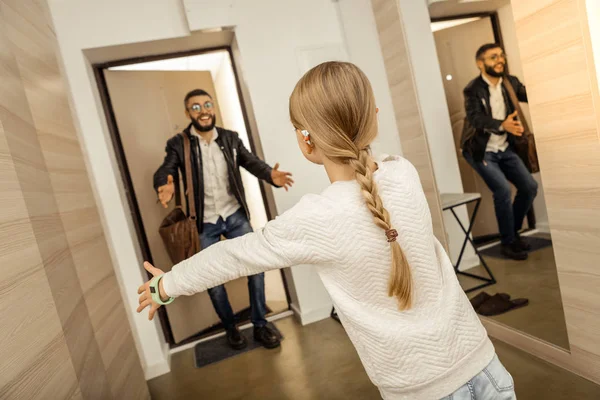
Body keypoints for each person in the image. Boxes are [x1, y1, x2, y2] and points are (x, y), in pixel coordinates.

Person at [140, 62, 515, 399]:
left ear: (306, 140)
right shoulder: (403, 173)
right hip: (485, 365)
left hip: (420, 390)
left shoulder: (315, 219)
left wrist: (165, 285)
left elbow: (234, 256)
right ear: (374, 120)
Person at [153, 89, 293, 350]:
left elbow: (250, 161)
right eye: (196, 107)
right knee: (212, 279)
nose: (203, 110)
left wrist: (269, 176)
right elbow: (167, 168)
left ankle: (260, 326)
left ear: (213, 108)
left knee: (257, 267)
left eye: (207, 105)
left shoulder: (230, 138)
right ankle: (231, 329)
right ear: (188, 113)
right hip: (203, 223)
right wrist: (164, 183)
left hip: (234, 215)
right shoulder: (178, 143)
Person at [462, 43, 538, 260]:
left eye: (501, 56)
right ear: (480, 63)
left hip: (504, 147)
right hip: (481, 150)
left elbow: (531, 93)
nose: (500, 60)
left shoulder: (510, 82)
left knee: (529, 187)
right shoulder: (473, 89)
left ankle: (511, 235)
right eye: (493, 57)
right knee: (503, 191)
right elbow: (476, 118)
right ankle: (508, 242)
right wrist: (502, 124)